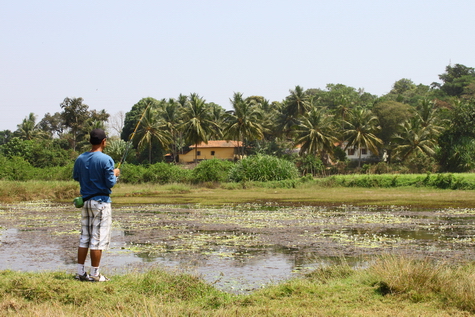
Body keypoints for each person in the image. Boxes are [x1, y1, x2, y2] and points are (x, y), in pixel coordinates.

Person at [73, 128, 120, 282]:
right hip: (101, 203)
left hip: (85, 202)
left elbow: (76, 177)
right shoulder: (106, 159)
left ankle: (80, 272)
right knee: (97, 240)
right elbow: (110, 183)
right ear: (104, 141)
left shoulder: (80, 158)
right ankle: (95, 274)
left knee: (84, 238)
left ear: (90, 141)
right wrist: (115, 174)